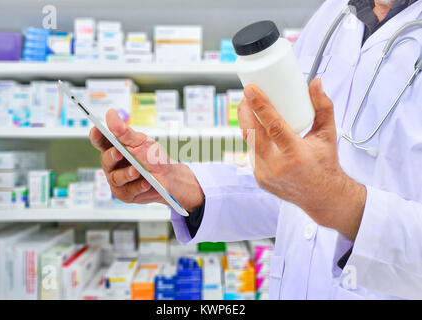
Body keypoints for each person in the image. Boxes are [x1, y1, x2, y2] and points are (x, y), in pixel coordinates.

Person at [90, 0, 422, 299]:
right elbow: (294, 188)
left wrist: (339, 203)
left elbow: (319, 192)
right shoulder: (331, 17)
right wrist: (178, 182)